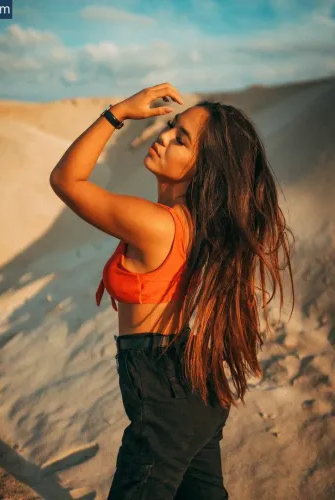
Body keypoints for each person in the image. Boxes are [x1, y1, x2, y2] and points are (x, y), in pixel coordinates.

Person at [49, 82, 295, 499]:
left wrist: (118, 113)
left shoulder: (157, 225)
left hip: (165, 395)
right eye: (171, 127)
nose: (162, 137)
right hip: (195, 387)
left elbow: (66, 180)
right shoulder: (194, 222)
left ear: (204, 167)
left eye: (180, 139)